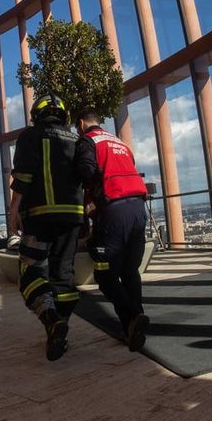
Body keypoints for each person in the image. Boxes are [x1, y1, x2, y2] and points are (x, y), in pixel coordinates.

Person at [7, 94, 85, 361]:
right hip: (73, 218)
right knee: (64, 275)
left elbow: (23, 176)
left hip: (40, 217)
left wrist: (13, 211)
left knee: (30, 275)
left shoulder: (30, 136)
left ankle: (51, 320)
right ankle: (61, 329)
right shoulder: (77, 139)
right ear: (63, 115)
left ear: (36, 114)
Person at [75, 108, 150, 352]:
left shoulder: (88, 140)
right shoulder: (120, 143)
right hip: (138, 210)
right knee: (130, 270)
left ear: (81, 124)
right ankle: (136, 321)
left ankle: (130, 318)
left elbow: (85, 171)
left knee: (105, 276)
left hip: (114, 213)